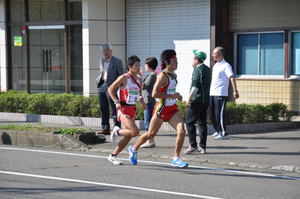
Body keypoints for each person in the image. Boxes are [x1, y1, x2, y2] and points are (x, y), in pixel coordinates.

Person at [128, 49, 189, 168]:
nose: (177, 63)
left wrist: (177, 96)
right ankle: (134, 148)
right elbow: (154, 94)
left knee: (181, 131)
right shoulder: (162, 76)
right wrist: (172, 95)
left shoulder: (173, 74)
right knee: (150, 134)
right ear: (167, 62)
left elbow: (170, 90)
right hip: (161, 108)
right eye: (174, 61)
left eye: (177, 61)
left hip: (172, 109)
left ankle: (176, 158)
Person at [107, 55, 146, 165]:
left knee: (128, 136)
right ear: (129, 66)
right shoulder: (124, 78)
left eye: (139, 65)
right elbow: (110, 89)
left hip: (132, 109)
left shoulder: (139, 80)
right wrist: (116, 102)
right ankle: (117, 131)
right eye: (136, 65)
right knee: (135, 132)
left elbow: (139, 95)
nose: (138, 67)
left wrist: (142, 103)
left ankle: (113, 155)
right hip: (123, 109)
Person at [209, 46, 239, 140]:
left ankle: (224, 133)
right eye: (213, 53)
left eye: (214, 53)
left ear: (220, 54)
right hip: (212, 93)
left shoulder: (226, 65)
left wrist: (235, 90)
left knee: (219, 114)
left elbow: (231, 77)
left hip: (221, 93)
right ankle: (218, 131)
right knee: (211, 113)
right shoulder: (215, 65)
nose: (213, 55)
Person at [184, 50, 211, 154]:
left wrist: (189, 98)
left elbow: (196, 85)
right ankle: (202, 147)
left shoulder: (198, 70)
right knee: (201, 123)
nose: (192, 60)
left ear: (196, 59)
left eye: (193, 58)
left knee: (189, 122)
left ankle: (193, 145)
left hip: (197, 100)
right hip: (205, 100)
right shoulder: (207, 69)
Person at [97, 44, 124, 135]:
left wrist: (118, 88)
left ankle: (117, 128)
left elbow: (121, 75)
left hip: (113, 87)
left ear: (111, 51)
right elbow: (102, 73)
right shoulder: (102, 60)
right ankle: (105, 128)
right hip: (102, 85)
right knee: (103, 107)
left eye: (107, 50)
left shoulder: (117, 61)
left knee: (114, 108)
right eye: (104, 50)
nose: (106, 52)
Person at [141, 57, 158, 148]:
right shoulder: (151, 75)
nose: (144, 66)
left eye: (146, 65)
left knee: (148, 121)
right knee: (148, 121)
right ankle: (150, 140)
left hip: (148, 101)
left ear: (149, 66)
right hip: (148, 100)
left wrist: (139, 76)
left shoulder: (152, 76)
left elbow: (144, 86)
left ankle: (150, 141)